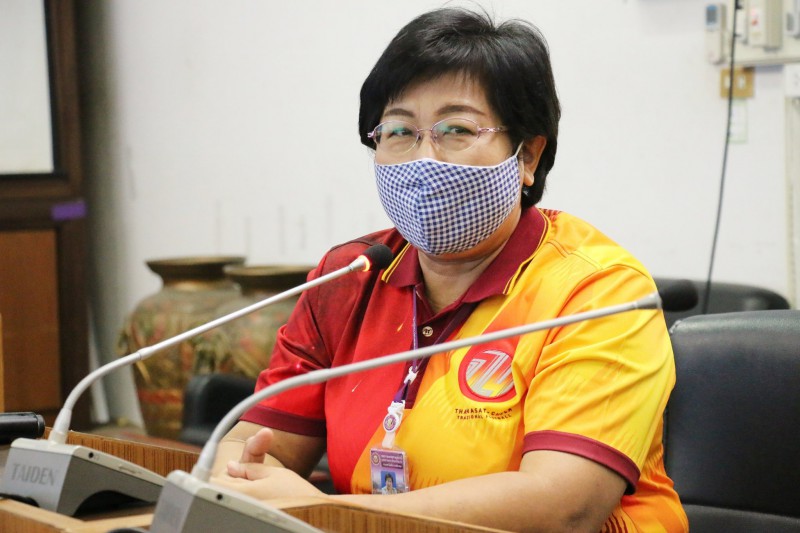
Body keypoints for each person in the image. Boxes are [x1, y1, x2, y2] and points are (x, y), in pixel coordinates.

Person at [213, 7, 688, 532]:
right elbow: (253, 446)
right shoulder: (350, 277)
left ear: (527, 157)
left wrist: (331, 515)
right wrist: (236, 477)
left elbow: (564, 507)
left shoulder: (598, 291)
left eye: (456, 129)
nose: (424, 160)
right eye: (399, 131)